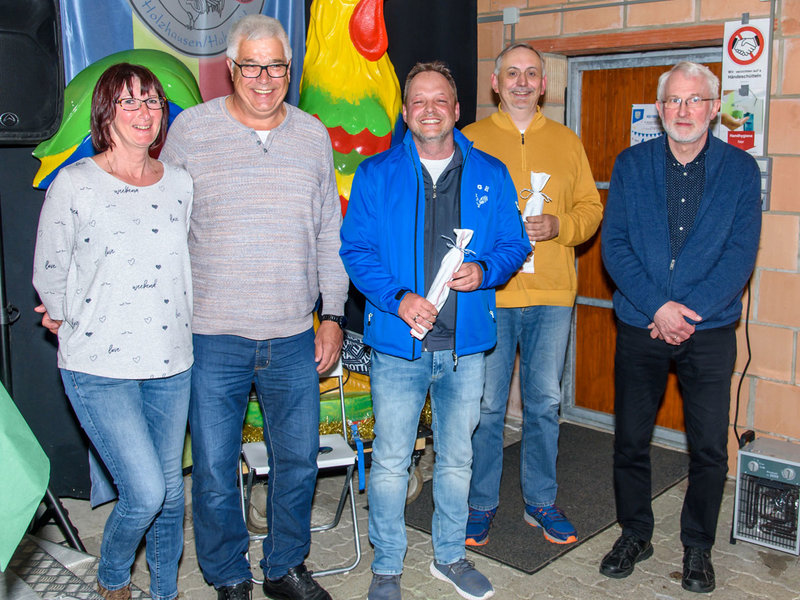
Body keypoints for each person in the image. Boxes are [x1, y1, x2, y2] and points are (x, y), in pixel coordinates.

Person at [159, 14, 348, 600]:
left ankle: (284, 566)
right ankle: (228, 574)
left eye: (276, 67)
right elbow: (162, 227)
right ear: (230, 68)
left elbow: (329, 233)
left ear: (289, 70)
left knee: (298, 462)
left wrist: (333, 316)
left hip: (293, 334)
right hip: (213, 336)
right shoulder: (191, 131)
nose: (265, 79)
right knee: (215, 469)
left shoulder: (312, 135)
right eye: (252, 66)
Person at [340, 61, 530, 600]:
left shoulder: (490, 172)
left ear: (457, 109)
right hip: (398, 348)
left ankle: (450, 557)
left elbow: (515, 243)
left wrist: (486, 271)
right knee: (391, 462)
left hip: (464, 350)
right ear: (405, 113)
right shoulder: (376, 174)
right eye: (419, 101)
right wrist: (398, 298)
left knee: (457, 459)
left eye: (440, 100)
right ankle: (387, 567)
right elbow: (355, 250)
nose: (430, 110)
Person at [599, 61, 762, 594]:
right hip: (640, 323)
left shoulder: (740, 171)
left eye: (695, 100)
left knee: (710, 447)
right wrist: (657, 308)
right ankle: (635, 533)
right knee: (630, 440)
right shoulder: (631, 164)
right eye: (674, 100)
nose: (684, 110)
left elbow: (740, 256)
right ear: (659, 108)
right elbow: (614, 246)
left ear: (713, 109)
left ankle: (697, 545)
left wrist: (685, 312)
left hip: (708, 330)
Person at [32, 63, 193, 600]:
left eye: (152, 101)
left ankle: (165, 592)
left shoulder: (180, 183)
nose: (144, 112)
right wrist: (62, 312)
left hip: (171, 361)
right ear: (106, 113)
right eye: (129, 101)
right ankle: (112, 576)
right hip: (100, 366)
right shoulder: (75, 183)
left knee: (171, 494)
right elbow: (50, 268)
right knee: (145, 492)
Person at [463, 43, 603, 547]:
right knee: (487, 406)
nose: (522, 82)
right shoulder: (469, 140)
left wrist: (561, 225)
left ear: (544, 85)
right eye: (512, 73)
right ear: (495, 82)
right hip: (491, 295)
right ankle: (480, 503)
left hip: (551, 296)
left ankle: (540, 500)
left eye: (531, 74)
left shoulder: (567, 141)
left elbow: (591, 209)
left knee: (544, 402)